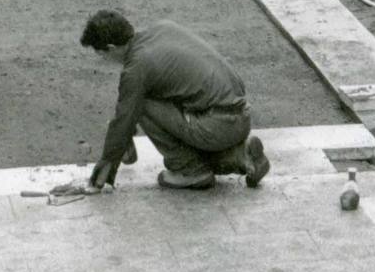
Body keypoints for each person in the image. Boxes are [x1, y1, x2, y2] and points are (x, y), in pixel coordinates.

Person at [80, 11, 271, 191]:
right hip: (239, 115)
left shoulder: (136, 68)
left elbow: (124, 118)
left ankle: (190, 171)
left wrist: (99, 179)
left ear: (111, 48)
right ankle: (242, 156)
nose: (104, 59)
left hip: (216, 126)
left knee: (141, 104)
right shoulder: (163, 28)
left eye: (102, 54)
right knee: (149, 97)